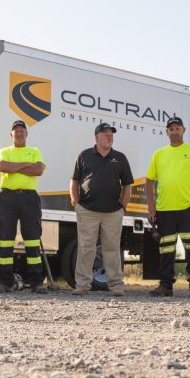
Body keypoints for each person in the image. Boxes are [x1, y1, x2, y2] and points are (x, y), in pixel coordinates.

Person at [145, 117, 190, 298]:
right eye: (171, 129)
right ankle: (166, 286)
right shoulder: (159, 154)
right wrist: (151, 208)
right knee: (166, 250)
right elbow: (149, 181)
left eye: (177, 128)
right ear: (166, 132)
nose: (174, 132)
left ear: (183, 130)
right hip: (165, 209)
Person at [69, 122, 134, 297]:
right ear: (97, 137)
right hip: (87, 210)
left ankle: (116, 286)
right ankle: (82, 285)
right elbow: (74, 181)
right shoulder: (85, 155)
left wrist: (123, 205)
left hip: (113, 212)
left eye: (111, 133)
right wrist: (76, 202)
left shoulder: (120, 158)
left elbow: (127, 184)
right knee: (86, 247)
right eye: (105, 133)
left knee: (112, 249)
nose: (109, 136)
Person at [0, 120, 47, 293]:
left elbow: (38, 170)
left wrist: (14, 168)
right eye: (16, 131)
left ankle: (36, 283)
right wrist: (26, 165)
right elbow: (2, 166)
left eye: (22, 130)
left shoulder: (35, 151)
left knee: (32, 239)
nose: (19, 133)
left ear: (27, 134)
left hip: (29, 198)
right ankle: (5, 282)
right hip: (7, 197)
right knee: (5, 240)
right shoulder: (4, 151)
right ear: (11, 134)